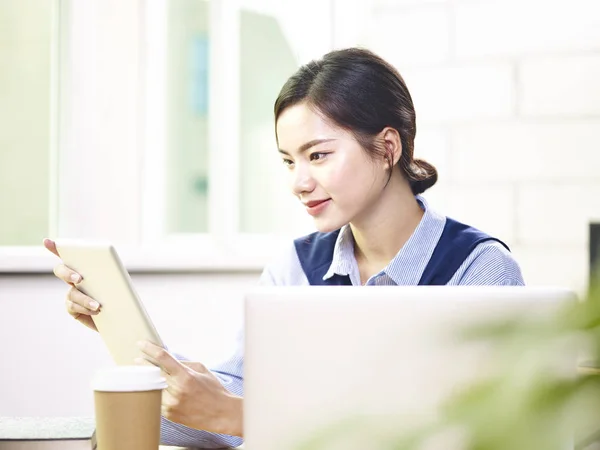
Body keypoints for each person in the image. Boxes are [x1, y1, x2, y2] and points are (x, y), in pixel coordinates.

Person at [44, 47, 524, 448]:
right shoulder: (294, 267)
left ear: (387, 149)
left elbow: (460, 435)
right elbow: (228, 397)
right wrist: (125, 335)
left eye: (318, 155)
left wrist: (239, 417)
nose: (298, 182)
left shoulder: (480, 270)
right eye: (288, 161)